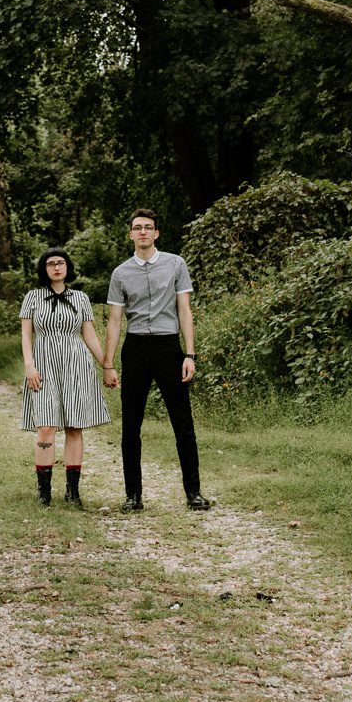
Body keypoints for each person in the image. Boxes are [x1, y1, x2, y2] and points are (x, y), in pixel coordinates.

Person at [105, 209, 211, 511]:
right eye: (137, 228)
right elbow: (114, 321)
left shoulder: (175, 264)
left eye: (148, 228)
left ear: (156, 233)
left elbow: (184, 310)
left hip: (168, 347)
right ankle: (133, 495)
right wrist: (108, 364)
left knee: (183, 422)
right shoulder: (121, 273)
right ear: (130, 234)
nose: (142, 232)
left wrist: (189, 354)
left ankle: (194, 493)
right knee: (131, 426)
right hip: (136, 347)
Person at [18, 248, 118, 508]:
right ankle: (44, 491)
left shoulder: (81, 298)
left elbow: (90, 336)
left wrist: (107, 365)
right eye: (50, 264)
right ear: (45, 269)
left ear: (67, 267)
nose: (56, 267)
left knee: (75, 426)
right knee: (46, 426)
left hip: (76, 364)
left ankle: (72, 492)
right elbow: (26, 336)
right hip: (43, 364)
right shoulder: (33, 297)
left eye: (60, 263)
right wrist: (29, 365)